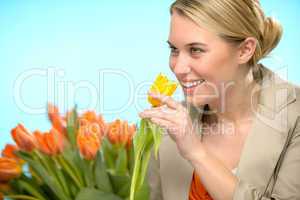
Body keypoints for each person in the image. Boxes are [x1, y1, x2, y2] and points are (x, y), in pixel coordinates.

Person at [139, 0, 300, 200]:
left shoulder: (295, 116)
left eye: (196, 50)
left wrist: (197, 153)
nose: (178, 68)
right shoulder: (168, 127)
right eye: (174, 49)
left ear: (244, 50)